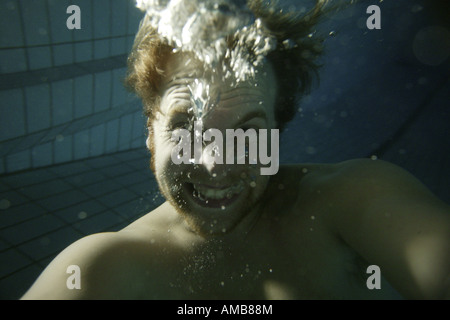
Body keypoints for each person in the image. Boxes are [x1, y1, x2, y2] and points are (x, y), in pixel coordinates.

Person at [22, 0, 450, 299]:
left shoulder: (352, 197)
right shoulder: (101, 267)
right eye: (185, 128)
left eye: (248, 133)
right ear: (150, 134)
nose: (214, 162)